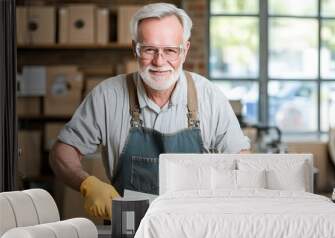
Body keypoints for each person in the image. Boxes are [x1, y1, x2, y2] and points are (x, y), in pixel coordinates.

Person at [50, 3, 250, 220]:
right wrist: (86, 183)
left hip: (197, 228)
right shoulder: (108, 96)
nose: (159, 61)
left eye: (170, 50)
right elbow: (62, 153)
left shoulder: (209, 97)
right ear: (135, 48)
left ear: (185, 50)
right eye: (149, 49)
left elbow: (242, 162)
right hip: (129, 229)